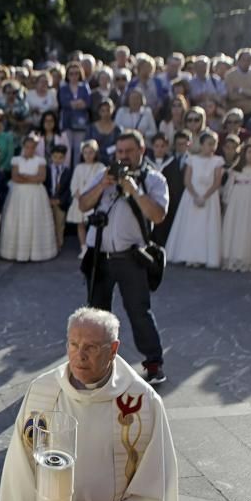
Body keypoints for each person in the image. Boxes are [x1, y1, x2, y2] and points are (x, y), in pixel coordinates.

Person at [0, 307, 178, 501]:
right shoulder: (44, 391)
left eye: (91, 347)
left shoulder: (141, 402)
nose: (80, 355)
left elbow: (156, 477)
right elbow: (20, 466)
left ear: (114, 349)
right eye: (73, 344)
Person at [79, 129, 169, 385]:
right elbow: (83, 205)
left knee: (138, 312)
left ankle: (154, 363)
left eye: (129, 151)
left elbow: (158, 215)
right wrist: (102, 185)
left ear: (142, 151)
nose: (124, 156)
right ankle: (96, 366)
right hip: (100, 256)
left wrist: (134, 190)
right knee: (96, 314)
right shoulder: (103, 175)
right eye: (120, 152)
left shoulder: (153, 179)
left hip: (132, 257)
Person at [165, 129, 225, 269]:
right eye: (209, 144)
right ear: (202, 144)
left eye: (214, 144)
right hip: (192, 195)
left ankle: (204, 257)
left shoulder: (217, 161)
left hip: (209, 197)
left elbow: (217, 182)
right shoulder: (192, 159)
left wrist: (204, 196)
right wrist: (195, 195)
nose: (212, 147)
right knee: (190, 225)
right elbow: (187, 180)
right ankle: (187, 255)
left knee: (206, 226)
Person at [0, 133, 57, 262]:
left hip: (37, 196)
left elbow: (41, 178)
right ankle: (17, 252)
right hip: (18, 195)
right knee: (19, 219)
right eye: (27, 147)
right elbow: (15, 177)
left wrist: (24, 176)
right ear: (23, 147)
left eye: (32, 147)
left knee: (35, 220)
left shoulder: (41, 161)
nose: (30, 149)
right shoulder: (16, 160)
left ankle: (36, 252)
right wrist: (32, 178)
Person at [221, 137, 251, 272]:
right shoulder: (235, 169)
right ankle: (232, 257)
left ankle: (247, 259)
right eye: (250, 152)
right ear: (244, 153)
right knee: (236, 226)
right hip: (237, 201)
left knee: (250, 227)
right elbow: (229, 188)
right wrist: (226, 203)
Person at [69, 139, 107, 257]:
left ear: (96, 153)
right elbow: (73, 185)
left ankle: (94, 247)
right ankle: (84, 247)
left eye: (91, 152)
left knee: (94, 225)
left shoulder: (100, 167)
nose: (88, 155)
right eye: (85, 152)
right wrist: (80, 197)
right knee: (81, 225)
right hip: (80, 201)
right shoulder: (78, 167)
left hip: (95, 201)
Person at [45, 144, 72, 250]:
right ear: (51, 156)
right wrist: (48, 199)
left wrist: (60, 200)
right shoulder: (47, 169)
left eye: (60, 157)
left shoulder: (67, 171)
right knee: (48, 224)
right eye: (55, 157)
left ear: (64, 158)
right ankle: (49, 245)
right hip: (48, 201)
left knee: (59, 225)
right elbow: (44, 185)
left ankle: (58, 245)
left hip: (60, 203)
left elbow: (68, 189)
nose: (57, 160)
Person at [224, 48, 251, 115]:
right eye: (244, 59)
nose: (246, 62)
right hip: (234, 112)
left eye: (249, 60)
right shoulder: (230, 75)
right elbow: (232, 96)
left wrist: (241, 91)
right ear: (238, 60)